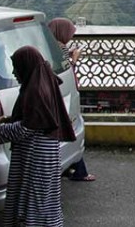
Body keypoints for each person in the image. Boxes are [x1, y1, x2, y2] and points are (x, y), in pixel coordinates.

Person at [0, 46, 76, 227]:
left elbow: (28, 127)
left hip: (36, 159)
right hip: (42, 155)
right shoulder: (41, 81)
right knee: (42, 201)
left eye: (16, 67)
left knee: (34, 202)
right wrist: (3, 119)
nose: (14, 72)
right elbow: (34, 116)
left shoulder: (37, 91)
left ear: (25, 66)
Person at [47, 17, 96, 182]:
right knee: (70, 129)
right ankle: (78, 170)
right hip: (63, 96)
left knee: (67, 130)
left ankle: (77, 169)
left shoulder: (49, 47)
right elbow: (66, 73)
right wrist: (74, 59)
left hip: (57, 97)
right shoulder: (59, 48)